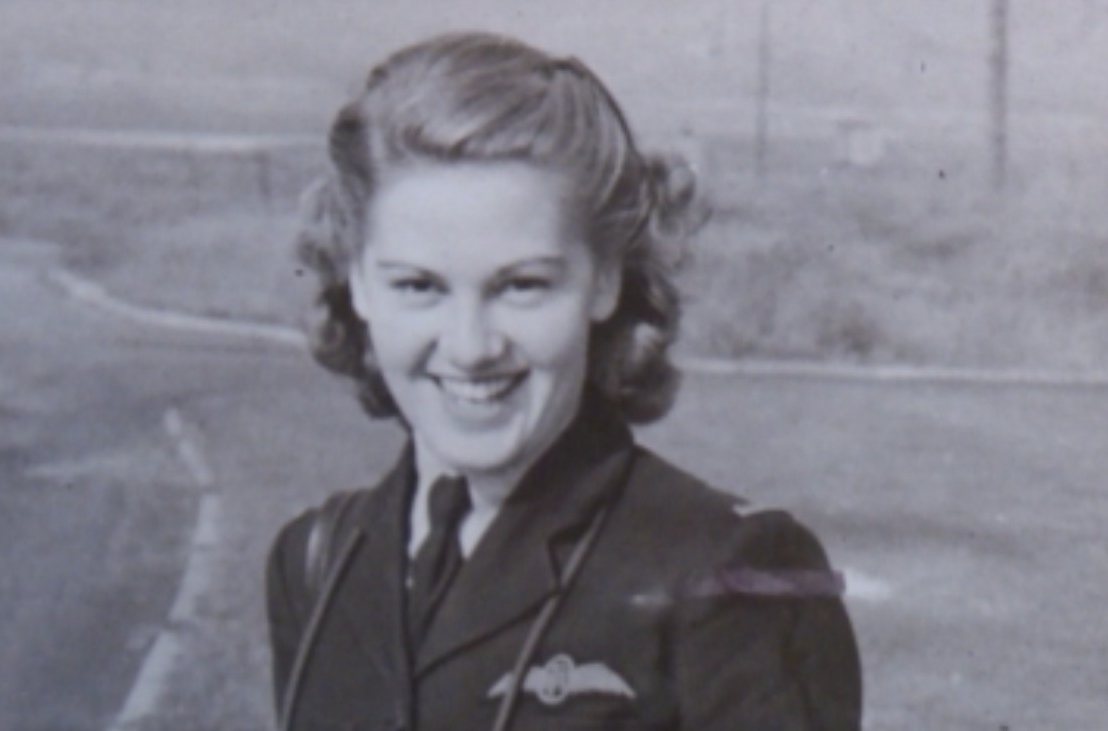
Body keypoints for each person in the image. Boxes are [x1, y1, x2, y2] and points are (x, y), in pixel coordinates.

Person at [266, 32, 861, 731]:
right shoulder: (317, 562)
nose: (471, 346)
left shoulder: (733, 571)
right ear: (358, 283)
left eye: (522, 285)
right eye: (419, 286)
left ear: (604, 279)